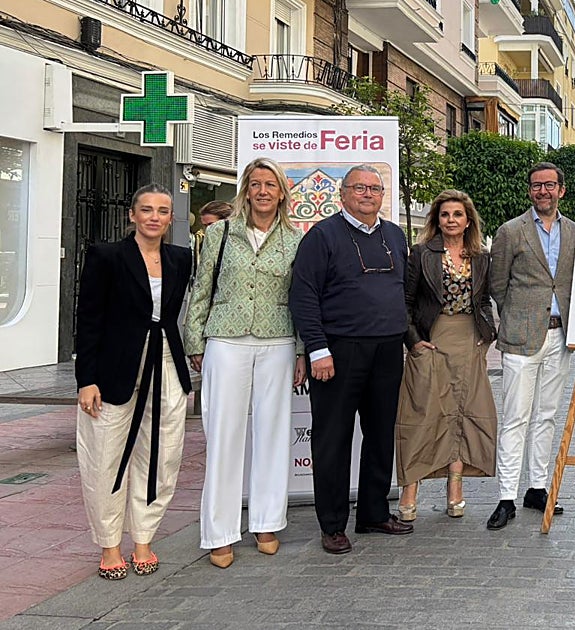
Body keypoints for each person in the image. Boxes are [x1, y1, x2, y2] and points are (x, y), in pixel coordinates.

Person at [184, 158, 305, 568]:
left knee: (272, 433)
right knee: (223, 435)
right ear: (246, 191)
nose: (263, 191)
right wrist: (194, 338)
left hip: (278, 339)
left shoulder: (295, 239)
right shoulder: (219, 233)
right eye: (256, 184)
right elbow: (202, 287)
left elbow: (303, 299)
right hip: (225, 338)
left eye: (270, 184)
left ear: (282, 192)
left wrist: (303, 350)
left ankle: (267, 521)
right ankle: (219, 531)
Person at [288, 164, 411, 554]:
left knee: (379, 435)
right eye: (359, 188)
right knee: (333, 438)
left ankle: (374, 513)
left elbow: (402, 290)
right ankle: (332, 524)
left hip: (388, 349)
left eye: (374, 188)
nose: (368, 194)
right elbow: (303, 296)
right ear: (343, 194)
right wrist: (317, 348)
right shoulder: (321, 236)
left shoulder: (394, 234)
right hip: (338, 352)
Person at [75, 183, 192, 580]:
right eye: (146, 209)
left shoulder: (180, 258)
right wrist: (86, 379)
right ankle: (110, 546)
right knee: (105, 453)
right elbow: (88, 320)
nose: (154, 217)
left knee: (163, 452)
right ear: (132, 214)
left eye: (162, 210)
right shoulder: (106, 256)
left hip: (166, 362)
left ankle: (144, 539)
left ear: (171, 218)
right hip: (114, 367)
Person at [395, 190, 497, 521]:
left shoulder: (480, 256)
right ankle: (410, 489)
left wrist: (487, 335)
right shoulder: (421, 253)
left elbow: (483, 301)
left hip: (468, 340)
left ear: (468, 220)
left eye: (457, 214)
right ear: (436, 220)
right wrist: (413, 342)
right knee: (422, 414)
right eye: (444, 215)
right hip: (431, 340)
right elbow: (406, 302)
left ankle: (456, 490)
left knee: (462, 414)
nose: (450, 220)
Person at [486, 162, 575, 530]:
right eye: (537, 185)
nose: (543, 191)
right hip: (521, 337)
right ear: (530, 191)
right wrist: (517, 316)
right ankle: (506, 496)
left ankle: (536, 489)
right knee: (515, 417)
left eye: (550, 185)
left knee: (547, 416)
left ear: (561, 190)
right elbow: (497, 283)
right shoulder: (511, 231)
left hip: (561, 336)